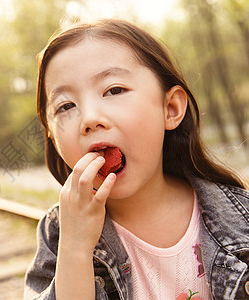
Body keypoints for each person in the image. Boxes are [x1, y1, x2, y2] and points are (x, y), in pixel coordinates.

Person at [24, 19, 249, 300]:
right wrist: (75, 248)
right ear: (52, 138)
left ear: (170, 108)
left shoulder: (241, 216)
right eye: (66, 106)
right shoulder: (58, 235)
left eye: (114, 90)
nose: (90, 119)